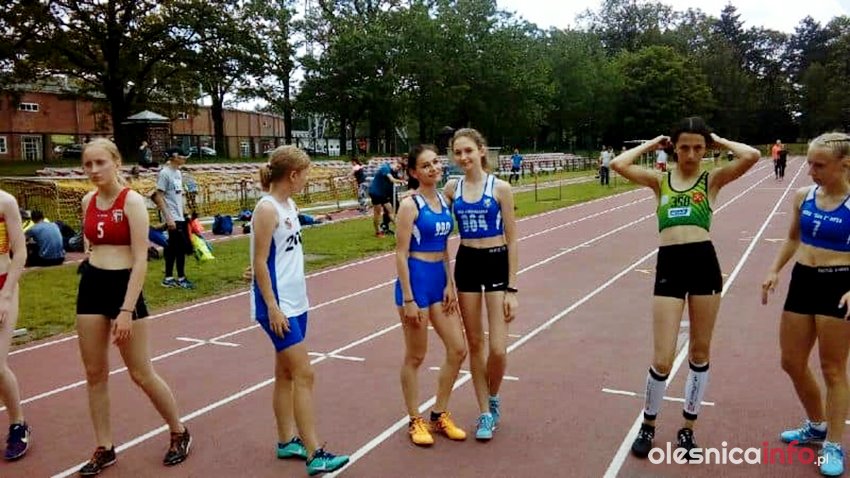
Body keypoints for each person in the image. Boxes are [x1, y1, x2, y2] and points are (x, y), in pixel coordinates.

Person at [609, 117, 760, 460]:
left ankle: (687, 428)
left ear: (706, 149)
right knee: (662, 358)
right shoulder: (660, 181)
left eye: (698, 148)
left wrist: (718, 138)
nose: (691, 154)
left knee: (699, 353)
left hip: (704, 265)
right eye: (684, 147)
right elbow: (619, 164)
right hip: (670, 267)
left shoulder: (712, 180)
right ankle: (648, 424)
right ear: (674, 148)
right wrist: (653, 143)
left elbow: (751, 156)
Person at [75, 138, 191, 475]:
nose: (94, 170)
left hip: (124, 286)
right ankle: (104, 446)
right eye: (88, 164)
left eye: (100, 162)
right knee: (94, 373)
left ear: (116, 162)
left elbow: (141, 260)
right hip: (92, 285)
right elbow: (90, 244)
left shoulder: (132, 202)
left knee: (140, 372)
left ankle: (179, 430)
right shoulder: (87, 201)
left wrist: (126, 310)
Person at [250, 145, 349, 475]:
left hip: (296, 300)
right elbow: (260, 262)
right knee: (305, 374)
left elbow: (278, 255)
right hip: (278, 306)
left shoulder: (289, 204)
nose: (307, 179)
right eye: (305, 174)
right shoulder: (267, 209)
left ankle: (285, 441)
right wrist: (272, 307)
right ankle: (314, 453)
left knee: (286, 374)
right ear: (292, 175)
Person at [762, 133, 850, 477]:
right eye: (810, 163)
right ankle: (817, 425)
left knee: (833, 369)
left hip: (838, 284)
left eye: (819, 165)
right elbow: (792, 238)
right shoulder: (804, 196)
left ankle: (833, 444)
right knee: (791, 361)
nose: (811, 171)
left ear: (845, 165)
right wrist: (774, 270)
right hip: (803, 279)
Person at [443, 128, 519, 441]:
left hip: (496, 260)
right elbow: (436, 219)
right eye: (458, 152)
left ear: (481, 151)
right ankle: (485, 411)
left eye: (468, 151)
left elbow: (513, 239)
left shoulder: (500, 188)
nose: (463, 157)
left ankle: (494, 394)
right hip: (467, 263)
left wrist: (512, 289)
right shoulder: (452, 187)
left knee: (498, 348)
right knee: (476, 344)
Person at [394, 144, 467, 446]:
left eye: (436, 162)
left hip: (439, 280)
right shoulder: (409, 205)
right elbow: (400, 254)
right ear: (414, 172)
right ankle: (415, 420)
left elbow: (444, 247)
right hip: (416, 282)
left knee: (458, 349)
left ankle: (439, 414)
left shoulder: (443, 200)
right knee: (416, 355)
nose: (434, 168)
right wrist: (409, 299)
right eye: (425, 165)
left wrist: (449, 283)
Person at [0, 189, 29, 461]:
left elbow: (20, 253)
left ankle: (18, 423)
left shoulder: (5, 202)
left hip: (2, 285)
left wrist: (6, 296)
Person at [152, 147, 193, 289]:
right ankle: (180, 278)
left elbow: (177, 194)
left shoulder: (178, 173)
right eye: (182, 156)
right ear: (174, 157)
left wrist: (185, 211)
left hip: (179, 215)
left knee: (173, 247)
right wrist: (168, 217)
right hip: (172, 216)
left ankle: (169, 277)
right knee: (179, 248)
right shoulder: (165, 173)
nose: (184, 159)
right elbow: (158, 196)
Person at [368, 158, 405, 237]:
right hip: (375, 193)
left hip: (383, 194)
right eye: (397, 166)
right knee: (377, 213)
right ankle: (378, 232)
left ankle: (400, 230)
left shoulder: (392, 171)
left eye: (399, 168)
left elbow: (397, 178)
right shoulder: (385, 168)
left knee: (390, 210)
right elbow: (392, 180)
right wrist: (403, 181)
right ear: (394, 163)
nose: (397, 168)